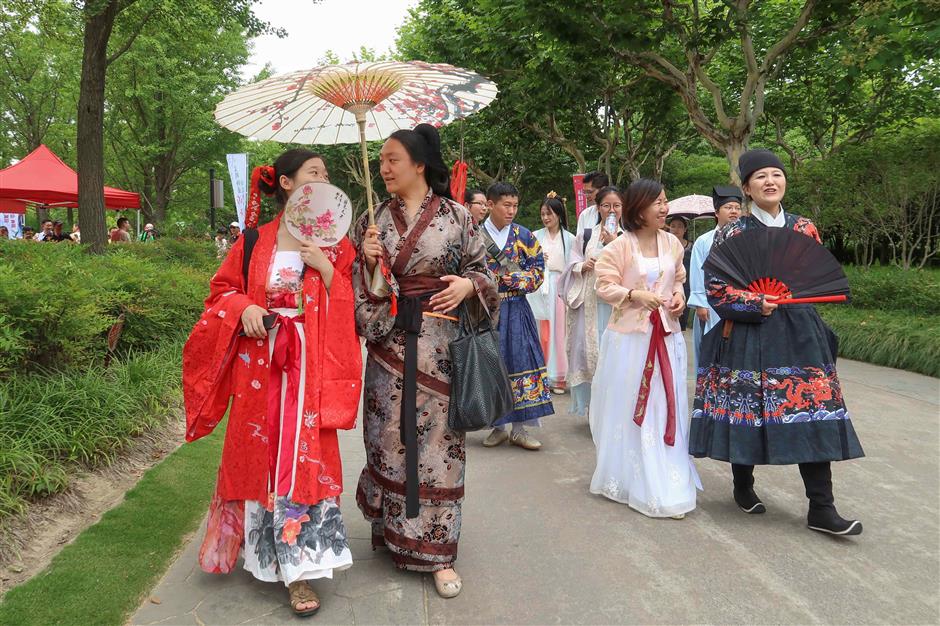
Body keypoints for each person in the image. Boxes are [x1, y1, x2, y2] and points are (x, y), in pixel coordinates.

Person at [182, 149, 362, 616]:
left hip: (309, 367)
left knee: (301, 457)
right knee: (261, 455)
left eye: (326, 172)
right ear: (287, 184)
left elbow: (352, 300)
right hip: (261, 367)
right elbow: (221, 292)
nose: (324, 177)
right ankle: (265, 554)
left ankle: (299, 571)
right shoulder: (253, 240)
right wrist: (245, 309)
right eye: (313, 172)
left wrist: (325, 267)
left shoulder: (338, 243)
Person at [352, 123, 498, 598]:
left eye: (393, 159)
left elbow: (487, 269)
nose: (384, 167)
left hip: (440, 345)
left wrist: (468, 285)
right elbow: (360, 291)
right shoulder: (372, 217)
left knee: (439, 446)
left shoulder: (457, 215)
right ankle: (394, 534)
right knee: (389, 437)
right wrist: (370, 262)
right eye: (381, 160)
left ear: (419, 164)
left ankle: (438, 553)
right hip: (389, 350)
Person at [690, 149, 864, 536]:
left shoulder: (805, 228)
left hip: (801, 334)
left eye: (776, 174)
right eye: (760, 177)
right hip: (750, 332)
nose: (770, 181)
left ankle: (822, 507)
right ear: (748, 189)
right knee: (748, 409)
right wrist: (754, 301)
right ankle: (743, 484)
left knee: (813, 411)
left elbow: (816, 279)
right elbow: (716, 288)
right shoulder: (734, 231)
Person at [590, 179, 701, 518]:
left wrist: (679, 297)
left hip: (666, 336)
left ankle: (665, 476)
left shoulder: (673, 243)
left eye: (665, 201)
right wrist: (634, 295)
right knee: (629, 404)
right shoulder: (618, 247)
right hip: (630, 340)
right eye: (658, 202)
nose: (665, 208)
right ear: (638, 209)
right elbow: (603, 285)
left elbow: (678, 277)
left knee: (665, 403)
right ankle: (627, 476)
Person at [480, 182, 555, 450]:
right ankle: (497, 426)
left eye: (515, 205)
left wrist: (511, 279)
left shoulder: (525, 236)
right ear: (490, 204)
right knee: (491, 364)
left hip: (517, 308)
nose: (512, 210)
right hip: (485, 310)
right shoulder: (474, 236)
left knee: (521, 361)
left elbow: (538, 271)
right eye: (506, 205)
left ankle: (520, 429)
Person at [559, 185, 624, 418]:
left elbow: (632, 268)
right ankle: (593, 410)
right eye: (606, 205)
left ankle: (613, 410)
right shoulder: (585, 235)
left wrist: (614, 242)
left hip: (615, 307)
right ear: (598, 208)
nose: (612, 210)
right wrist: (581, 266)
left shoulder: (628, 238)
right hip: (589, 304)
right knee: (587, 353)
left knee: (614, 354)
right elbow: (571, 263)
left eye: (616, 205)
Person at [688, 186, 742, 367]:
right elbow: (697, 271)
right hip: (710, 306)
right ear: (717, 212)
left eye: (737, 207)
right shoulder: (704, 241)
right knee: (708, 350)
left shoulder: (747, 238)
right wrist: (700, 303)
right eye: (729, 207)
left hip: (738, 303)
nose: (734, 211)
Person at [528, 192, 575, 394]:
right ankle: (539, 374)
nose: (546, 218)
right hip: (539, 286)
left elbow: (574, 266)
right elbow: (525, 261)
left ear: (559, 214)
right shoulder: (534, 236)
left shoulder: (570, 239)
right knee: (540, 331)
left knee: (559, 332)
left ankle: (558, 376)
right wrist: (538, 259)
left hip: (559, 287)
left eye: (550, 214)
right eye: (543, 214)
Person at [666, 216, 692, 330]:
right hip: (668, 284)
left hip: (686, 284)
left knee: (681, 315)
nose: (676, 229)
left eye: (680, 226)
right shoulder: (664, 245)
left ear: (685, 229)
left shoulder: (692, 246)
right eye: (673, 226)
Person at [575, 171, 609, 238]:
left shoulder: (619, 213)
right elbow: (579, 243)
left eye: (590, 192)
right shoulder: (585, 215)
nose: (586, 196)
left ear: (603, 190)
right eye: (584, 192)